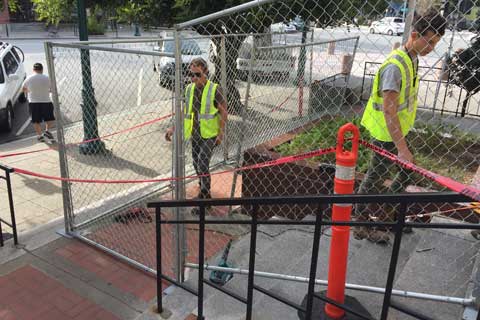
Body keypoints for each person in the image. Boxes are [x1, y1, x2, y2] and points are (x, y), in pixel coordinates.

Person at [355, 10, 446, 244]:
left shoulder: (411, 58)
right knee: (375, 177)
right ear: (415, 35)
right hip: (386, 133)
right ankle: (360, 224)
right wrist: (402, 148)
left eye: (436, 42)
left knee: (405, 171)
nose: (432, 47)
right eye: (430, 41)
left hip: (398, 131)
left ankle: (385, 214)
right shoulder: (395, 66)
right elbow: (388, 110)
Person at [165, 58, 228, 203]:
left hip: (210, 134)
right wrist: (173, 128)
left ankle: (205, 197)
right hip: (195, 133)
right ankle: (202, 187)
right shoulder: (189, 89)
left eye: (197, 75)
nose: (193, 78)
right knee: (196, 163)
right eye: (191, 74)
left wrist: (220, 133)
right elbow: (184, 111)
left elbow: (224, 112)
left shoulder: (214, 89)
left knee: (202, 162)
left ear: (205, 72)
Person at [22, 63, 56, 143]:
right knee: (50, 118)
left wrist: (29, 91)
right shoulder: (47, 78)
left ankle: (40, 136)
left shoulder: (29, 78)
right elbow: (52, 89)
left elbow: (23, 89)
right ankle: (47, 131)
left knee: (36, 120)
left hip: (33, 102)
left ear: (33, 70)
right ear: (42, 69)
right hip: (46, 101)